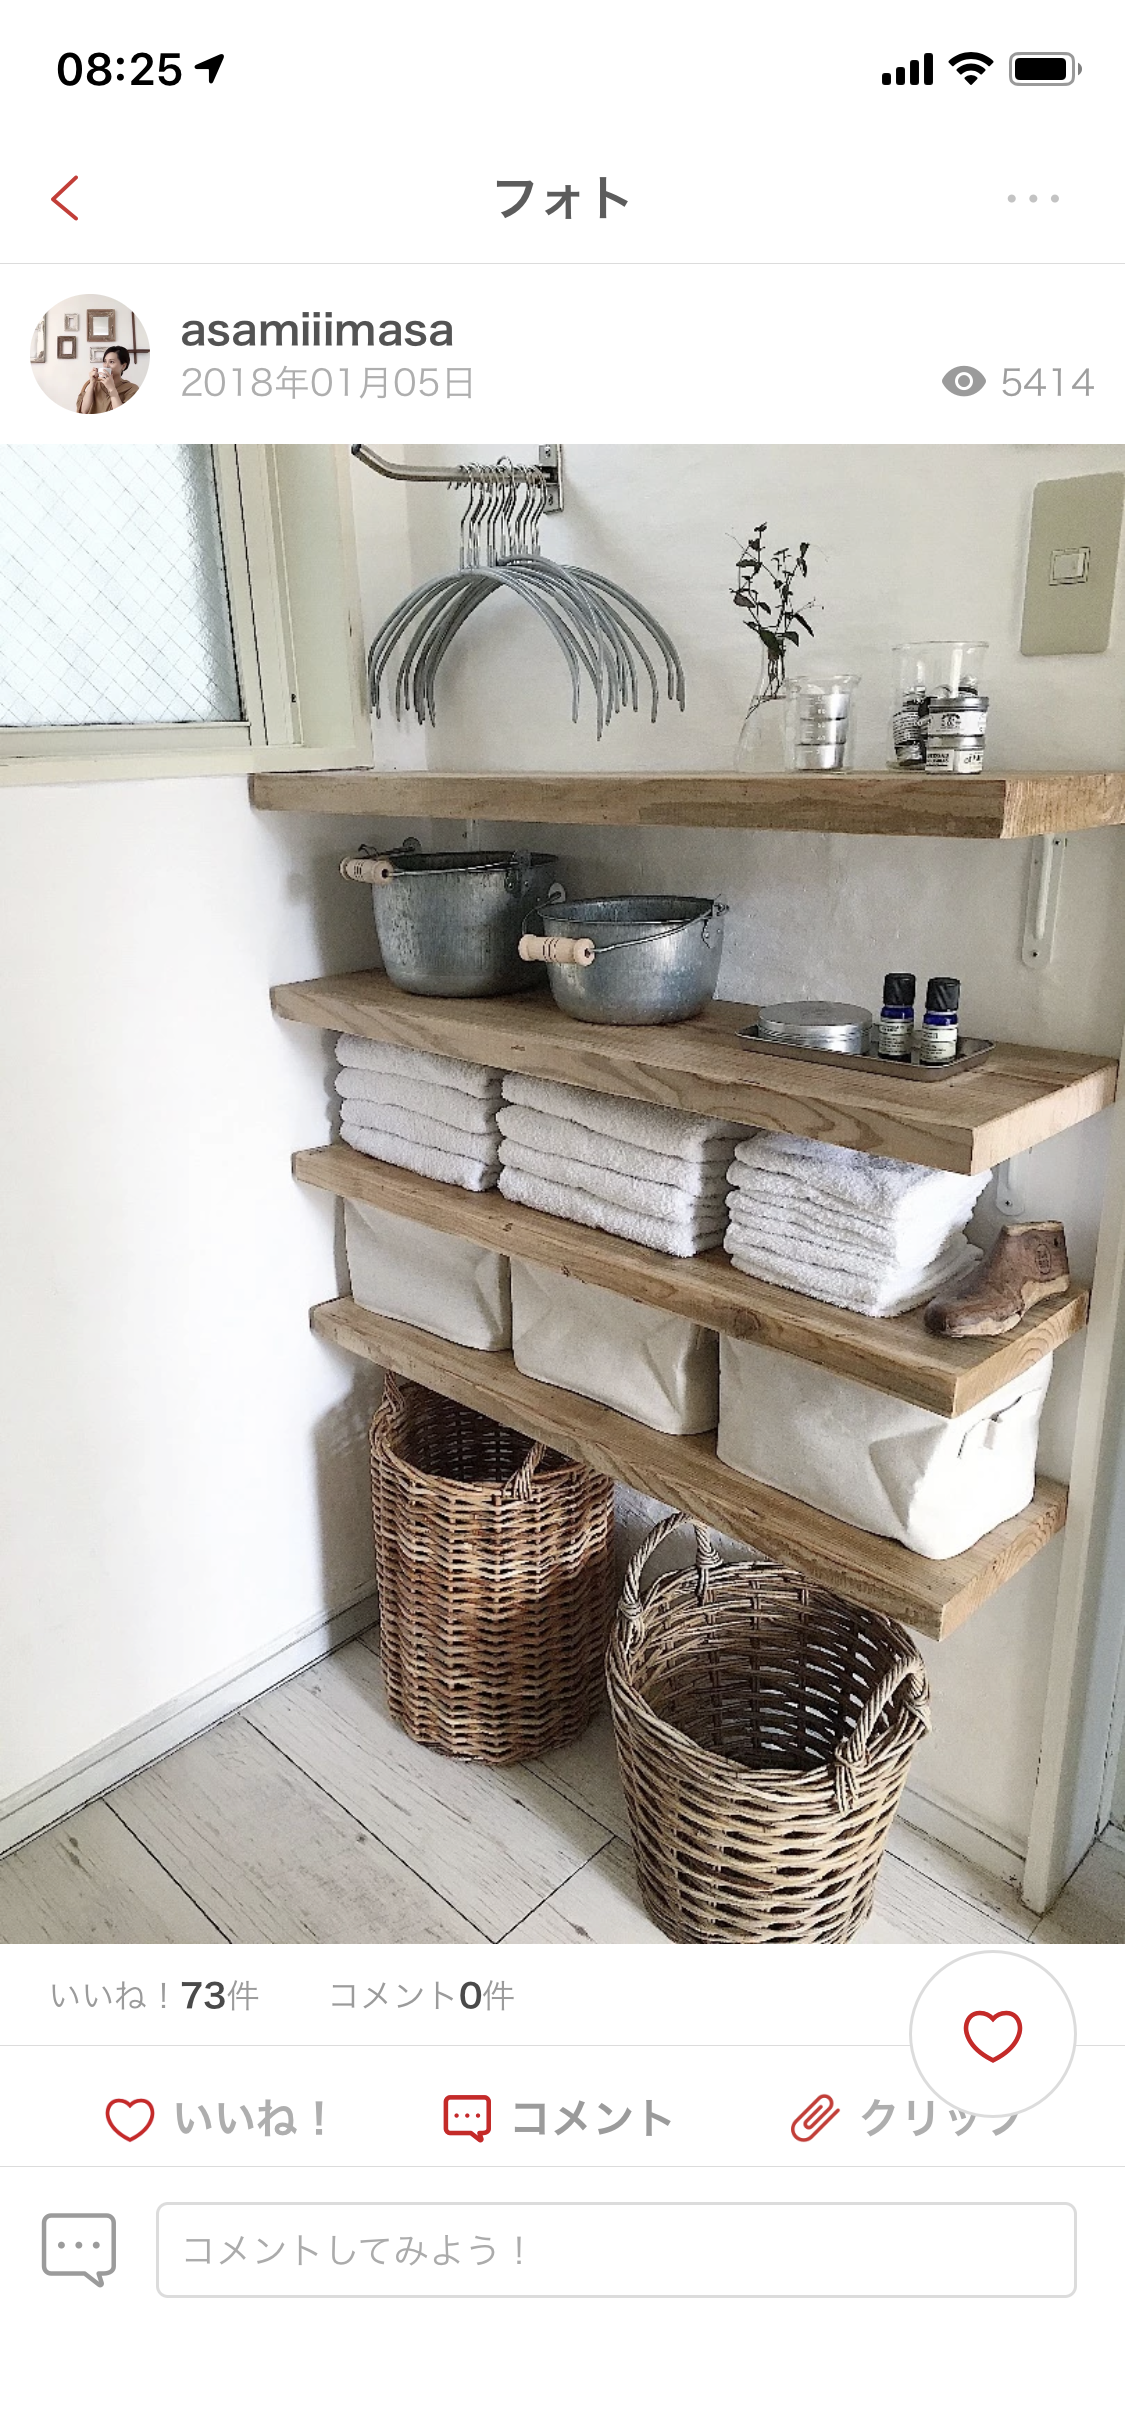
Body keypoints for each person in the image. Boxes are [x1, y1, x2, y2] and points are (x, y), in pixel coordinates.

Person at [77, 345, 139, 413]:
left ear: (123, 366)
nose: (106, 366)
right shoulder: (96, 385)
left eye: (111, 362)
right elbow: (84, 411)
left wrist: (112, 389)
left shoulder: (132, 388)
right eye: (105, 361)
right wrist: (92, 383)